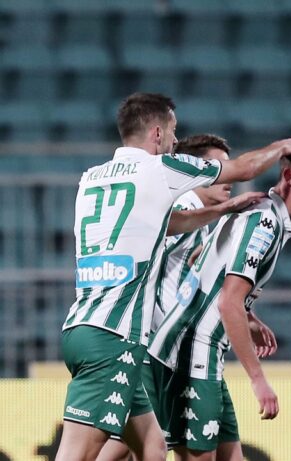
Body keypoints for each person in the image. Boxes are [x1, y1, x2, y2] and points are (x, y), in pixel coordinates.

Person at [57, 92, 291, 461]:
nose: (176, 140)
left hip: (84, 324)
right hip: (114, 335)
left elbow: (165, 226)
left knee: (152, 447)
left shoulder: (91, 178)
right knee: (77, 454)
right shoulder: (161, 170)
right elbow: (242, 169)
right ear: (157, 133)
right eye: (173, 131)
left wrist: (222, 210)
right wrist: (282, 146)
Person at [146, 140, 291, 460]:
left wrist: (248, 315)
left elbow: (200, 259)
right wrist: (258, 380)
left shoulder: (263, 213)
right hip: (189, 352)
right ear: (289, 176)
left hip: (204, 352)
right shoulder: (265, 222)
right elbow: (227, 302)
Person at [98, 133, 261, 461]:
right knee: (134, 444)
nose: (227, 177)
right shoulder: (184, 208)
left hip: (192, 352)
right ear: (198, 171)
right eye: (218, 167)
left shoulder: (204, 217)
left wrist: (247, 316)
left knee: (216, 449)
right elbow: (149, 251)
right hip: (162, 352)